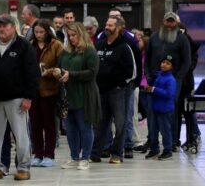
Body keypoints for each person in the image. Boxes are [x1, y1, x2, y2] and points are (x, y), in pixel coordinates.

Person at [0, 15, 41, 181]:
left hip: (17, 98)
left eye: (5, 26)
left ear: (13, 27)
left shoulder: (23, 46)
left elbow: (33, 73)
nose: (1, 29)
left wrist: (29, 97)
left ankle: (23, 167)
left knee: (21, 134)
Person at [56, 22, 101, 170]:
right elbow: (61, 67)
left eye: (74, 35)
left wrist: (72, 75)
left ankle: (85, 157)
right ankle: (74, 157)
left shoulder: (89, 51)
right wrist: (58, 73)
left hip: (85, 95)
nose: (72, 38)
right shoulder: (65, 52)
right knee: (70, 129)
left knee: (85, 127)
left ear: (81, 34)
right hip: (69, 96)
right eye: (69, 36)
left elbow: (92, 73)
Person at [90, 16, 134, 164]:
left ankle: (116, 154)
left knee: (120, 124)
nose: (107, 27)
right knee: (100, 125)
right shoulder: (99, 45)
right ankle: (95, 154)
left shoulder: (124, 47)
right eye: (106, 24)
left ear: (119, 28)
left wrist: (120, 84)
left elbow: (131, 71)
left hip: (117, 92)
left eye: (110, 25)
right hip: (100, 91)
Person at [145, 11, 191, 151]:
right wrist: (147, 75)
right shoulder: (154, 37)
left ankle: (171, 143)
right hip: (154, 79)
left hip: (172, 81)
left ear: (176, 23)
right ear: (163, 22)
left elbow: (187, 61)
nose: (169, 24)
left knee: (169, 112)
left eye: (172, 21)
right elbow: (147, 58)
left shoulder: (182, 39)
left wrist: (177, 78)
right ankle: (152, 142)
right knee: (151, 111)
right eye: (167, 21)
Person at [29, 19, 64, 167]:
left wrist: (47, 71)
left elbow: (61, 66)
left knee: (49, 123)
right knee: (35, 123)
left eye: (41, 32)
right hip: (33, 89)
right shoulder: (30, 45)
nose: (38, 35)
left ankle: (49, 154)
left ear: (47, 32)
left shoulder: (56, 45)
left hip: (50, 89)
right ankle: (37, 153)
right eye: (36, 32)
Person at [145, 55, 177, 160]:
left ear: (172, 67)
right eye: (163, 62)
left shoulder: (170, 79)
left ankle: (168, 150)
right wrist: (149, 89)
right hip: (155, 108)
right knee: (153, 130)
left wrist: (153, 89)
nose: (164, 64)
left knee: (165, 131)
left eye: (168, 63)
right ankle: (154, 149)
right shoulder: (159, 76)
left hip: (165, 109)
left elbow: (169, 94)